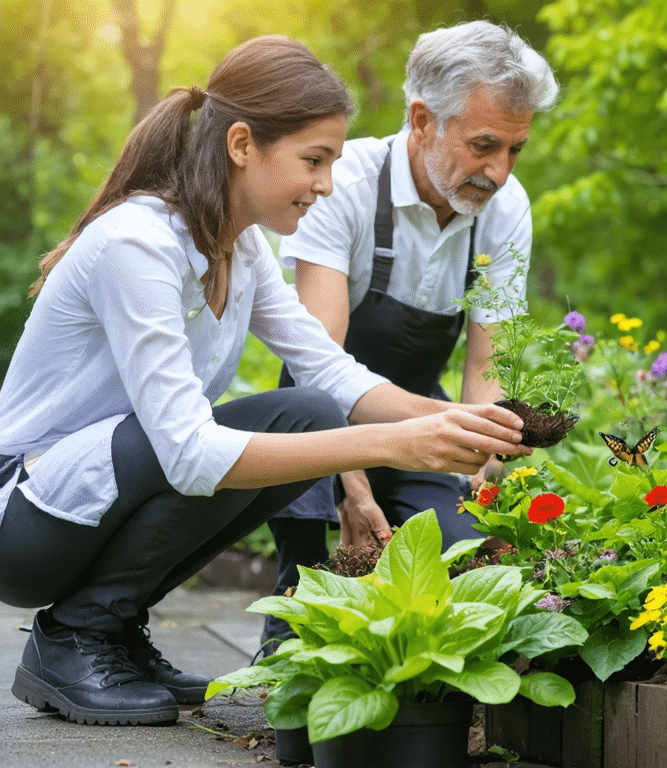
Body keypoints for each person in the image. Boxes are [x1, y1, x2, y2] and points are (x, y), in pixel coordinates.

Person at [0, 36, 529, 727]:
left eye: (334, 162)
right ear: (243, 144)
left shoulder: (240, 245)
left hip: (94, 496)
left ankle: (113, 627)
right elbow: (188, 453)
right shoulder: (139, 243)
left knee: (307, 409)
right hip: (28, 517)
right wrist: (392, 445)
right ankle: (76, 636)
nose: (326, 184)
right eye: (314, 160)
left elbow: (329, 370)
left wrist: (447, 421)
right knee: (237, 432)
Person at [258, 21, 557, 653]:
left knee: (455, 546)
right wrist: (352, 487)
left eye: (514, 150)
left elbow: (487, 358)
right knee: (318, 551)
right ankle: (286, 641)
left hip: (425, 409)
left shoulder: (505, 209)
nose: (499, 172)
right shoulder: (343, 185)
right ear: (422, 120)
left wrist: (488, 458)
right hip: (322, 415)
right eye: (483, 146)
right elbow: (318, 360)